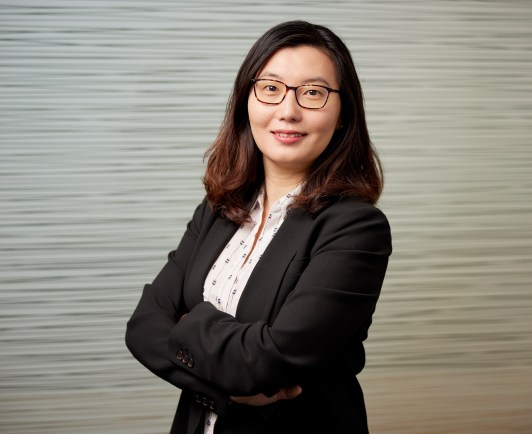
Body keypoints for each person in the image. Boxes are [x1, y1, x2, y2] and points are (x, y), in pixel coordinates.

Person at [125, 20, 392, 434]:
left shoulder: (356, 229)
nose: (288, 110)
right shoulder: (217, 210)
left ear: (344, 113)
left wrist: (186, 325)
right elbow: (143, 326)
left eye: (313, 93)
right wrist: (224, 389)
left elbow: (269, 362)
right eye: (270, 88)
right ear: (246, 101)